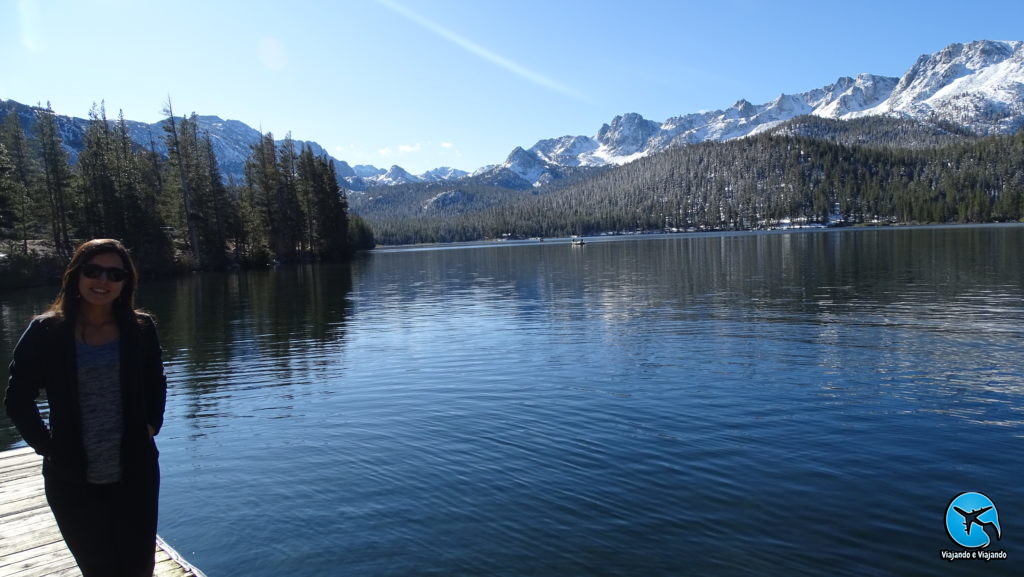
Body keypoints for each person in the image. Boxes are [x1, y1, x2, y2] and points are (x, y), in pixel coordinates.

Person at [4, 239, 167, 577]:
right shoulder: (46, 331)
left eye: (114, 274)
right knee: (99, 569)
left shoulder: (140, 329)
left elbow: (156, 381)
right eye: (93, 271)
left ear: (126, 283)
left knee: (139, 568)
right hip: (71, 477)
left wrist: (151, 424)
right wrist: (49, 448)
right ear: (76, 275)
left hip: (135, 471)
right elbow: (18, 398)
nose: (103, 281)